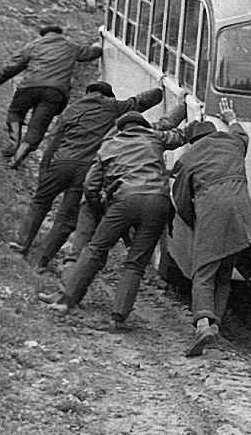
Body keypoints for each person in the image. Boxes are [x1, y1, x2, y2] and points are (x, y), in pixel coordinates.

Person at [45, 110, 193, 327]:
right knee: (135, 263)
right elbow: (180, 136)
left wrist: (101, 208)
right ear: (141, 125)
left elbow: (90, 186)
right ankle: (118, 319)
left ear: (121, 128)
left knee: (95, 249)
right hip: (158, 202)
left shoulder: (108, 146)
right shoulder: (153, 136)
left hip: (125, 201)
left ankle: (66, 301)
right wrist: (196, 120)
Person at [9, 80, 163, 261]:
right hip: (85, 170)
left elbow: (54, 143)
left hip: (60, 163)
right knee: (65, 219)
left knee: (40, 203)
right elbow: (141, 101)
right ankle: (41, 259)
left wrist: (45, 170)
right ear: (107, 96)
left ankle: (21, 246)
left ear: (88, 92)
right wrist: (160, 89)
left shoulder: (71, 110)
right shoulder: (112, 106)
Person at [171, 99, 251, 358]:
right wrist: (231, 117)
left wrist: (197, 224)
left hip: (212, 213)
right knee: (223, 274)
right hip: (242, 216)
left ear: (193, 141)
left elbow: (180, 201)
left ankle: (202, 325)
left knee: (202, 273)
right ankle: (215, 326)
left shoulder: (188, 158)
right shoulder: (232, 143)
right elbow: (241, 134)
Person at [0, 22, 102, 169]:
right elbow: (89, 54)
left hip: (29, 87)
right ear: (60, 34)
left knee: (15, 112)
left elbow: (11, 65)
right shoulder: (71, 46)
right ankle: (16, 160)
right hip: (55, 92)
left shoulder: (34, 45)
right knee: (37, 128)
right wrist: (100, 48)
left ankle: (13, 141)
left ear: (43, 34)